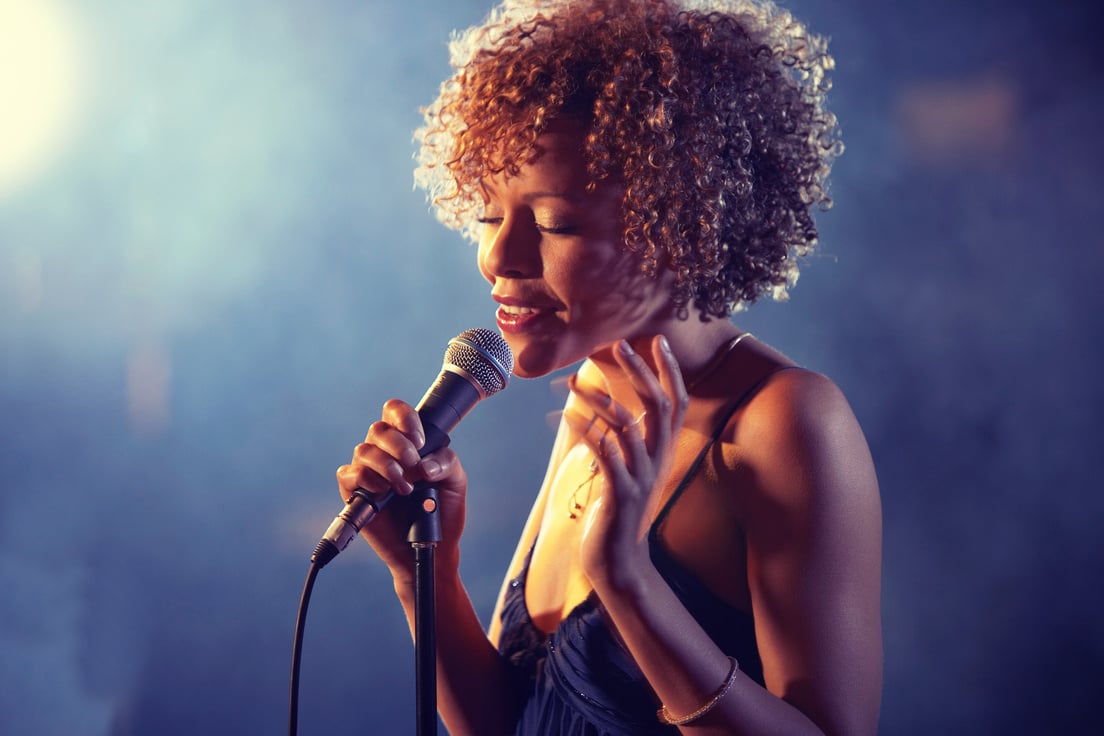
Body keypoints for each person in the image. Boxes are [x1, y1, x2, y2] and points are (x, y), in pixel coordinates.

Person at [337, 0, 882, 733]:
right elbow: (514, 723)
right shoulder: (596, 389)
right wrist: (420, 572)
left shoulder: (785, 424)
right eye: (489, 215)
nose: (498, 258)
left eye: (555, 222)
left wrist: (628, 582)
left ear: (682, 222)